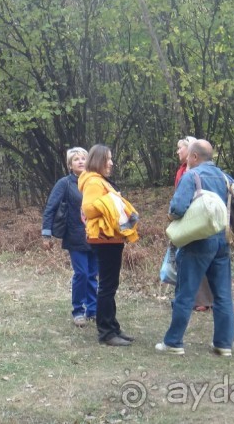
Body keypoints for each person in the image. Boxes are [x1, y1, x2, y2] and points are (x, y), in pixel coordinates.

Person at [156, 139, 234, 357]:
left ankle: (173, 342)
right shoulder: (226, 178)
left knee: (186, 293)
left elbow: (177, 208)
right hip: (222, 240)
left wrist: (174, 217)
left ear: (194, 157)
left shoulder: (191, 176)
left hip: (197, 241)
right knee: (222, 294)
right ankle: (223, 344)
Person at [78, 144, 140, 347]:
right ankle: (106, 333)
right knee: (107, 286)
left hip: (110, 239)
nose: (111, 163)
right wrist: (111, 203)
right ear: (98, 160)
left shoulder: (99, 180)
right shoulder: (94, 181)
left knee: (109, 285)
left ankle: (113, 327)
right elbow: (88, 208)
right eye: (108, 159)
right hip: (105, 239)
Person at [42, 147, 98, 327]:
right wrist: (46, 234)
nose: (81, 161)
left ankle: (93, 309)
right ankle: (78, 311)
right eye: (76, 159)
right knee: (81, 273)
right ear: (70, 165)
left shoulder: (95, 181)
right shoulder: (64, 183)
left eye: (84, 158)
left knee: (93, 274)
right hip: (75, 236)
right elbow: (50, 208)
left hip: (97, 235)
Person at [174, 136, 214, 312]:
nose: (178, 152)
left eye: (180, 148)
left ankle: (200, 301)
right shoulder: (182, 170)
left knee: (195, 259)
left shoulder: (193, 172)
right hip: (188, 222)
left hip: (195, 223)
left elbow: (180, 204)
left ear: (192, 153)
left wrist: (174, 215)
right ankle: (190, 299)